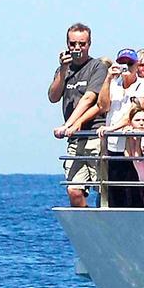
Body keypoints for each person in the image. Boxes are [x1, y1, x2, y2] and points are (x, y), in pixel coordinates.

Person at [48, 22, 109, 208]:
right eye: (73, 44)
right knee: (74, 190)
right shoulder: (63, 70)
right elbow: (53, 96)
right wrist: (63, 70)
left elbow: (89, 99)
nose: (77, 48)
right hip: (74, 139)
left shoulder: (97, 67)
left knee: (103, 188)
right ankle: (87, 223)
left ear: (89, 44)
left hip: (94, 134)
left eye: (82, 44)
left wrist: (69, 125)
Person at [97, 49, 144, 208]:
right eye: (122, 64)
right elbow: (102, 106)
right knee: (115, 192)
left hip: (134, 146)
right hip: (114, 146)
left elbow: (136, 111)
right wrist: (108, 78)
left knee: (135, 193)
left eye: (129, 64)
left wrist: (112, 128)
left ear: (136, 65)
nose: (126, 68)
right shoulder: (114, 85)